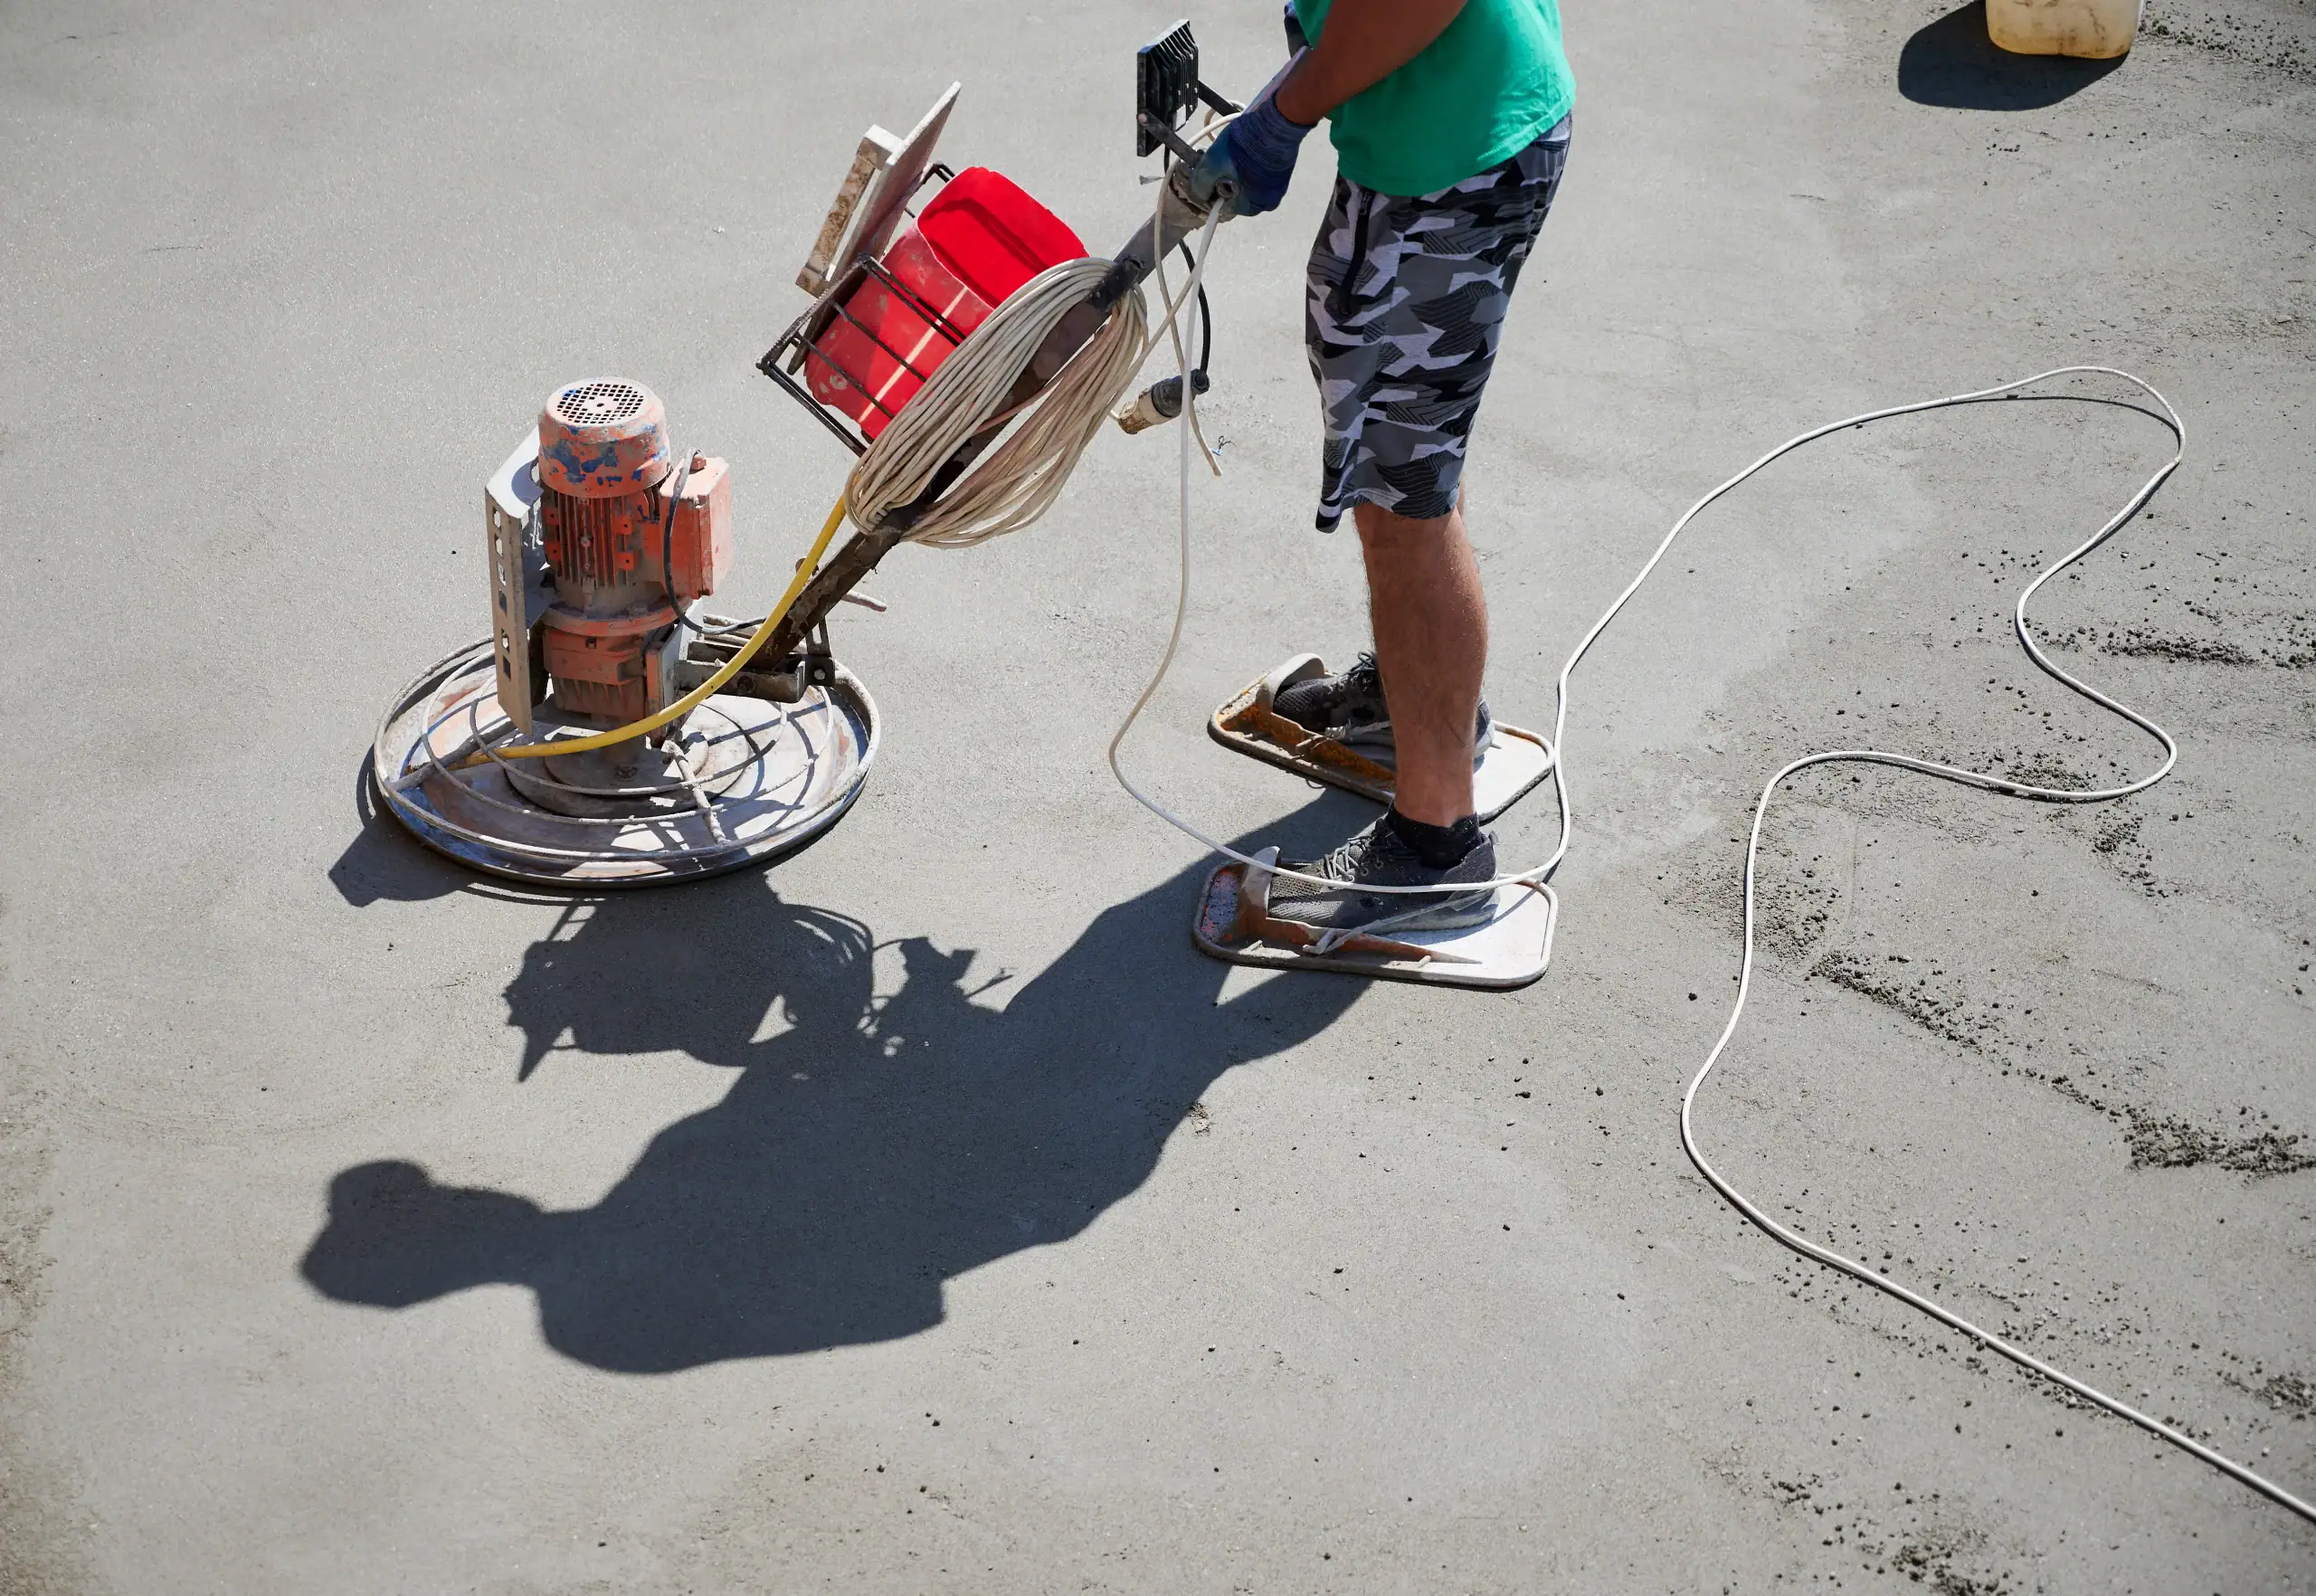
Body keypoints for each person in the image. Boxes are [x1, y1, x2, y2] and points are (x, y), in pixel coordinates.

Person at [1190, 0, 1573, 934]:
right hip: (1448, 120)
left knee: (1403, 500)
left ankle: (1434, 847)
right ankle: (1428, 716)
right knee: (1407, 461)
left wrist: (1290, 109)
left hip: (1447, 155)